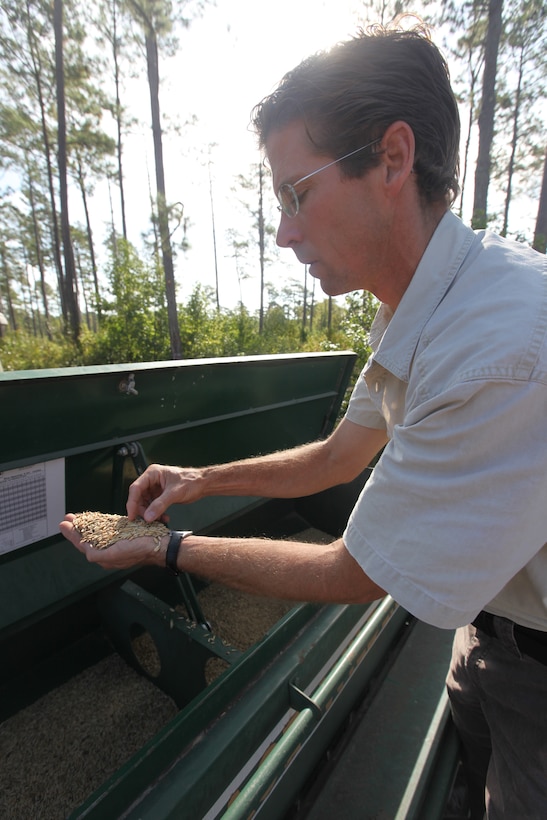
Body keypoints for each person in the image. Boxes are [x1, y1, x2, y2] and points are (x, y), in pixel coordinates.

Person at [60, 22, 547, 819]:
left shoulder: (499, 343)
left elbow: (352, 573)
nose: (284, 231)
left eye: (297, 194)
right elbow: (335, 457)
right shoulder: (417, 311)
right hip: (487, 631)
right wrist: (199, 479)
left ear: (391, 159)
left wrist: (164, 546)